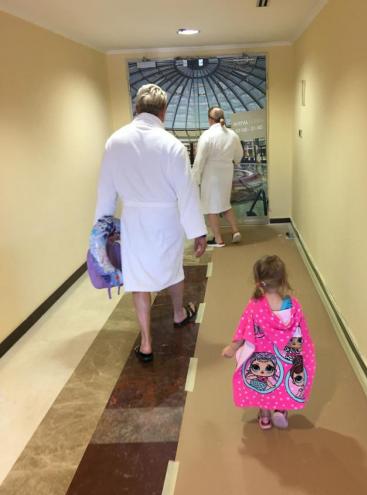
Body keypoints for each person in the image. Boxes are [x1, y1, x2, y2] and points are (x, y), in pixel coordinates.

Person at [95, 83, 207, 362]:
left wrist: (100, 230)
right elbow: (187, 192)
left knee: (138, 279)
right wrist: (198, 232)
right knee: (173, 269)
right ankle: (178, 314)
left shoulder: (115, 141)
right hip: (166, 220)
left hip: (134, 221)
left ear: (137, 108)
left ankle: (146, 343)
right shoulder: (172, 145)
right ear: (163, 111)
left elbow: (106, 190)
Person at [222, 255, 316, 429]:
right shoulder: (293, 306)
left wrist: (233, 347)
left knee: (265, 381)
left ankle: (265, 417)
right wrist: (301, 355)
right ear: (283, 280)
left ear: (258, 281)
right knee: (284, 378)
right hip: (287, 354)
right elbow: (301, 332)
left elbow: (243, 330)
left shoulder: (255, 306)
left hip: (262, 354)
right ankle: (280, 410)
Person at [192, 107, 244, 248]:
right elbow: (239, 156)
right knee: (225, 204)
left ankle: (218, 240)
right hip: (226, 173)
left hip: (211, 175)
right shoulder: (232, 135)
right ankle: (235, 231)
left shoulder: (207, 135)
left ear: (210, 119)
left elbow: (199, 160)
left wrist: (195, 179)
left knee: (211, 207)